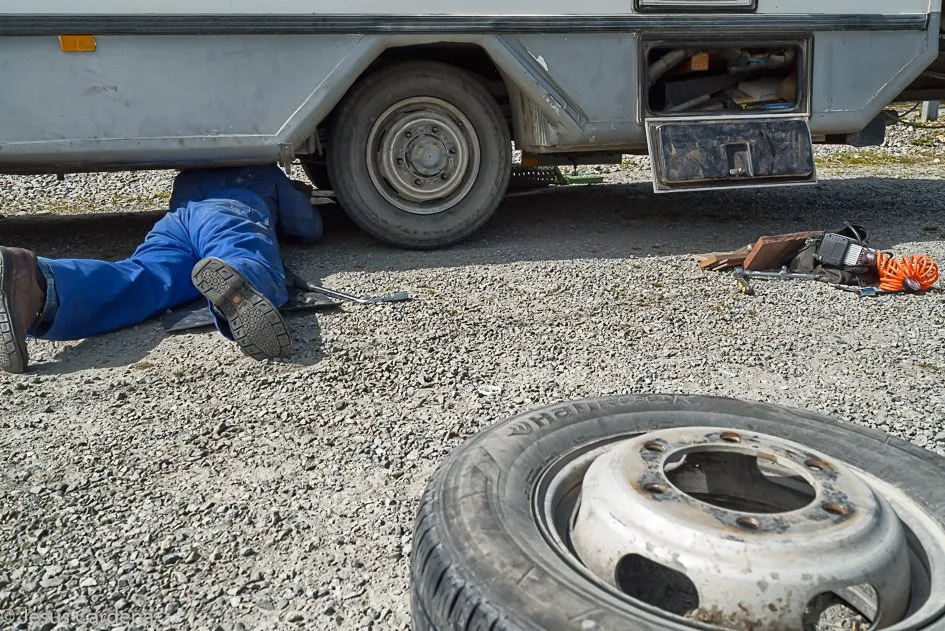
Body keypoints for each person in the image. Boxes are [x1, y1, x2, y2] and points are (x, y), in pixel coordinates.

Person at [0, 164, 323, 374]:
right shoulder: (264, 169)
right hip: (227, 212)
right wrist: (301, 199)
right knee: (240, 252)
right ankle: (238, 287)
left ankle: (35, 282)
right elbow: (304, 226)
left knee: (142, 276)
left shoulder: (188, 173)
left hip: (174, 225)